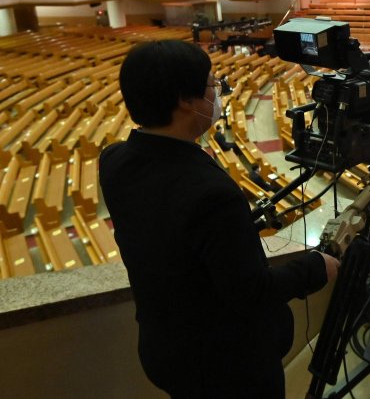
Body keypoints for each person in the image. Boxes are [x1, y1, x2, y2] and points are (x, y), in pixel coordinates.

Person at [99, 40, 339, 398]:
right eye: (213, 85)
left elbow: (175, 235)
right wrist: (317, 268)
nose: (219, 94)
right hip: (227, 368)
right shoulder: (209, 192)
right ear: (185, 99)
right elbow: (251, 293)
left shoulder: (114, 160)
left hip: (164, 347)